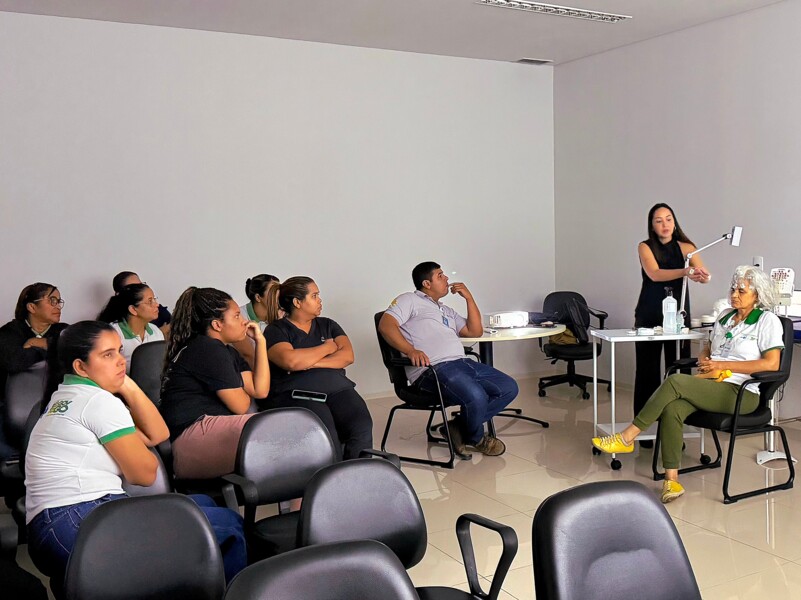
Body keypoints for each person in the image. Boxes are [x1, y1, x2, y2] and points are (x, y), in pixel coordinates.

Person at [24, 321, 247, 595]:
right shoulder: (97, 402)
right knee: (228, 527)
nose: (120, 361)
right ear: (81, 367)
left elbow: (158, 434)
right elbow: (144, 475)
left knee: (201, 503)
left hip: (52, 527)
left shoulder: (68, 396)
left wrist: (126, 384)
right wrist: (122, 389)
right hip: (77, 521)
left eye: (119, 351)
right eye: (108, 355)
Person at [593, 266, 783, 503]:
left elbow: (772, 364)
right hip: (712, 384)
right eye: (733, 288)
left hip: (741, 393)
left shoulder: (767, 321)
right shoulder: (725, 316)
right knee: (673, 408)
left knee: (675, 381)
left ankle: (627, 437)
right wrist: (705, 358)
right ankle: (672, 481)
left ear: (757, 294)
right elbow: (709, 347)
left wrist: (725, 368)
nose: (734, 294)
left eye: (742, 290)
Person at [378, 261, 517, 457]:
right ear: (427, 283)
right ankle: (476, 438)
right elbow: (386, 325)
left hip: (463, 364)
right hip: (433, 369)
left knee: (509, 387)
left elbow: (474, 331)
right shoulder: (409, 300)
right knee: (476, 396)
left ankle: (457, 427)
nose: (447, 279)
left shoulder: (445, 310)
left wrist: (469, 298)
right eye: (440, 276)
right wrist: (410, 351)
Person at [159, 287, 269, 479]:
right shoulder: (208, 349)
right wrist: (241, 392)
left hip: (210, 433)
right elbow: (241, 405)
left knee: (284, 431)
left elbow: (259, 390)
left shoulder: (226, 351)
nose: (244, 321)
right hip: (192, 439)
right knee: (277, 430)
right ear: (218, 325)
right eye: (236, 316)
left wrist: (261, 343)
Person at [262, 277, 372, 460]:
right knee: (325, 433)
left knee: (361, 424)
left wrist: (309, 362)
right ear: (297, 302)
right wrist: (327, 349)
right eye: (314, 296)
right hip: (298, 393)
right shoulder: (276, 330)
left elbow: (347, 356)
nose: (320, 300)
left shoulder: (328, 325)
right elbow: (290, 361)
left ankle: (358, 476)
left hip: (338, 388)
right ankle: (331, 482)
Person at [633, 204, 710, 447]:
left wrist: (701, 275)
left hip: (678, 318)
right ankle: (644, 430)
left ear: (675, 222)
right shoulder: (645, 246)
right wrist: (686, 271)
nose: (664, 224)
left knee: (678, 372)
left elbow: (702, 274)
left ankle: (675, 429)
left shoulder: (687, 247)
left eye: (668, 219)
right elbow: (655, 274)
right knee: (647, 373)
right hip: (649, 315)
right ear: (652, 225)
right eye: (658, 220)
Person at [0, 283, 68, 458]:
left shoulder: (64, 331)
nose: (57, 306)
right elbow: (14, 361)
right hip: (10, 406)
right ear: (31, 307)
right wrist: (51, 349)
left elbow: (77, 353)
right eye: (52, 301)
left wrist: (41, 343)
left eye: (59, 301)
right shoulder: (9, 332)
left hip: (58, 404)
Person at [97, 283, 164, 372]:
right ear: (133, 309)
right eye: (150, 301)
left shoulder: (155, 331)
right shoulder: (113, 334)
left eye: (155, 299)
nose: (157, 305)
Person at [233, 274, 281, 369]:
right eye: (273, 291)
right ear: (258, 297)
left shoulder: (281, 316)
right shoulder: (239, 317)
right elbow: (248, 356)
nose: (279, 295)